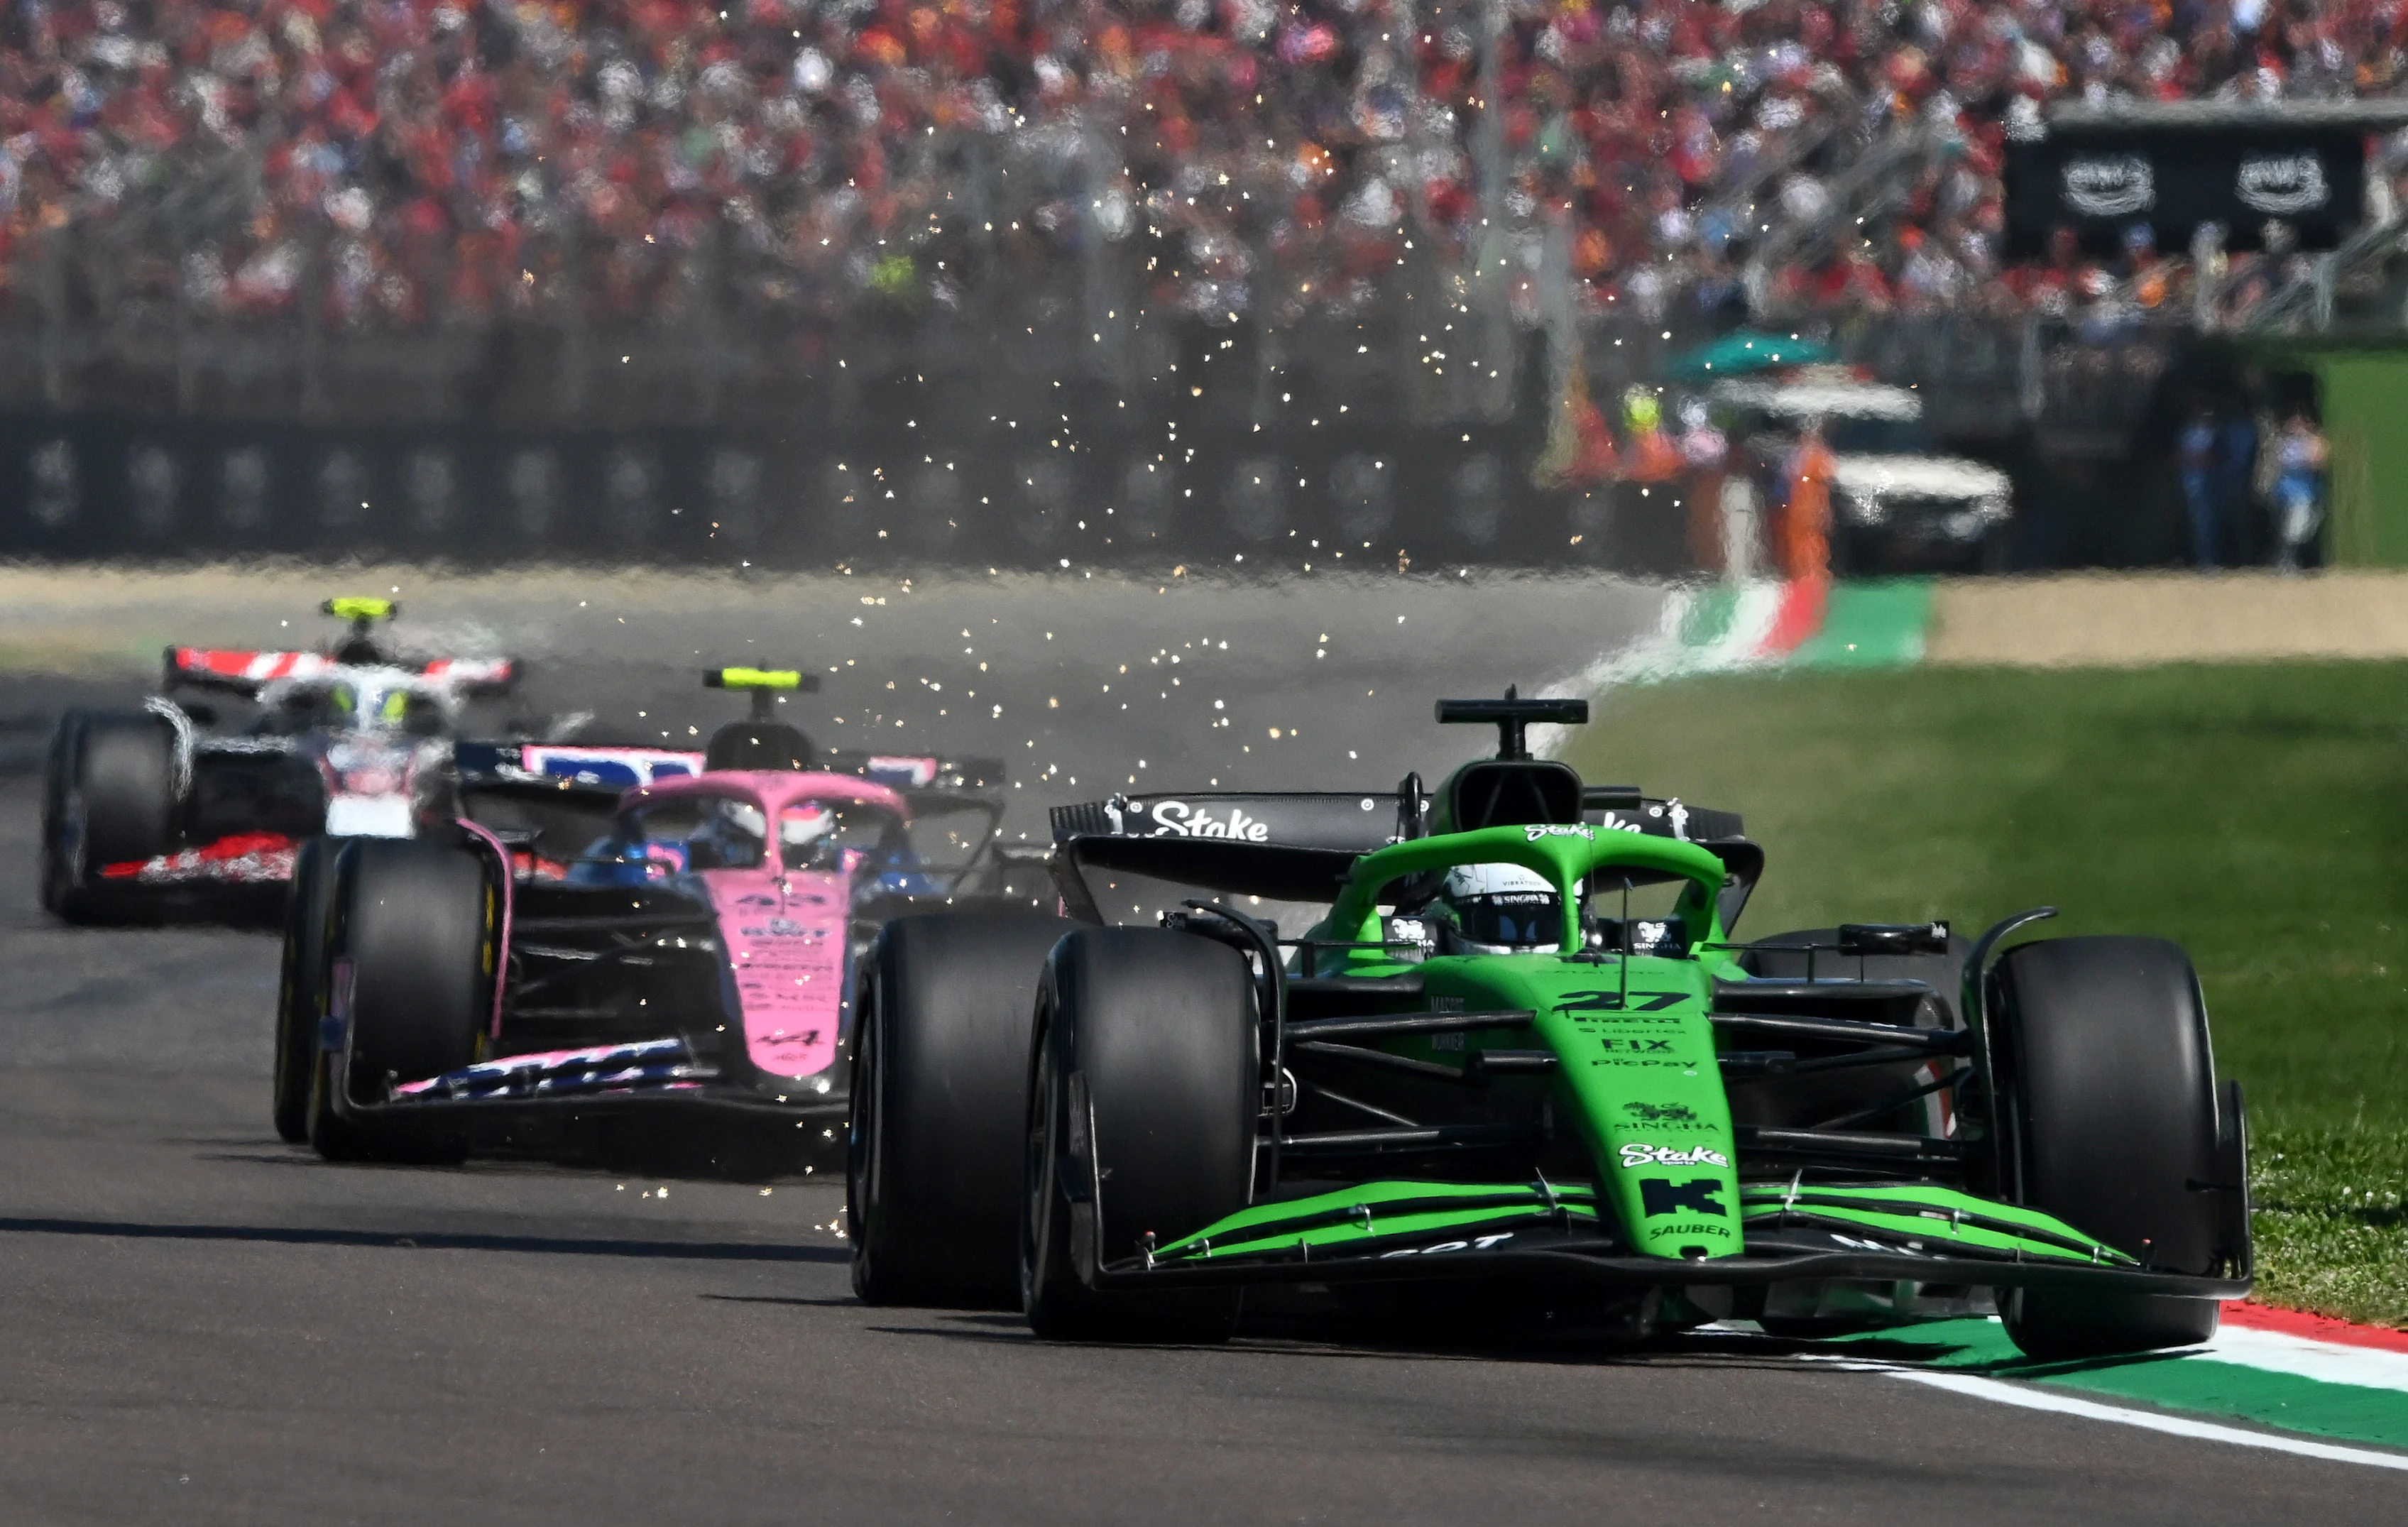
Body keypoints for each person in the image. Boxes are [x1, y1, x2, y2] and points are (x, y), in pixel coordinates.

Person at [1780, 418, 1838, 582]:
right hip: (1799, 507)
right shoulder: (1799, 456)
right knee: (1799, 542)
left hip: (1812, 506)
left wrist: (1824, 509)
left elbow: (1826, 481)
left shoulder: (1818, 456)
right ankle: (1801, 573)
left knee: (1816, 542)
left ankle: (1814, 574)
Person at [2270, 412, 2328, 572]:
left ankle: (2292, 561)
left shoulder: (2313, 441)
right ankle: (2286, 562)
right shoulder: (2284, 443)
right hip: (2288, 492)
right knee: (2292, 530)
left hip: (2307, 491)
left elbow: (2318, 461)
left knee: (2306, 529)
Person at [2178, 405, 2221, 569]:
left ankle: (2210, 560)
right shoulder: (2187, 433)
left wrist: (2198, 458)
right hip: (2192, 484)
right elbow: (2182, 457)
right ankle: (2203, 560)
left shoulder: (2215, 434)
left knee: (2210, 524)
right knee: (2200, 524)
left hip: (2213, 483)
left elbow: (2212, 458)